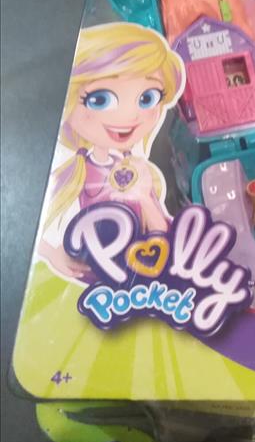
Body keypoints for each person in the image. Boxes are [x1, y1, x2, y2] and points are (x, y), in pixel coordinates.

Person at [38, 22, 185, 279]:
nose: (129, 115)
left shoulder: (138, 169)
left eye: (147, 98)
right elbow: (30, 224)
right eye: (100, 99)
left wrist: (144, 197)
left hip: (141, 272)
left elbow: (162, 236)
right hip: (94, 279)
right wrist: (50, 253)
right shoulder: (73, 169)